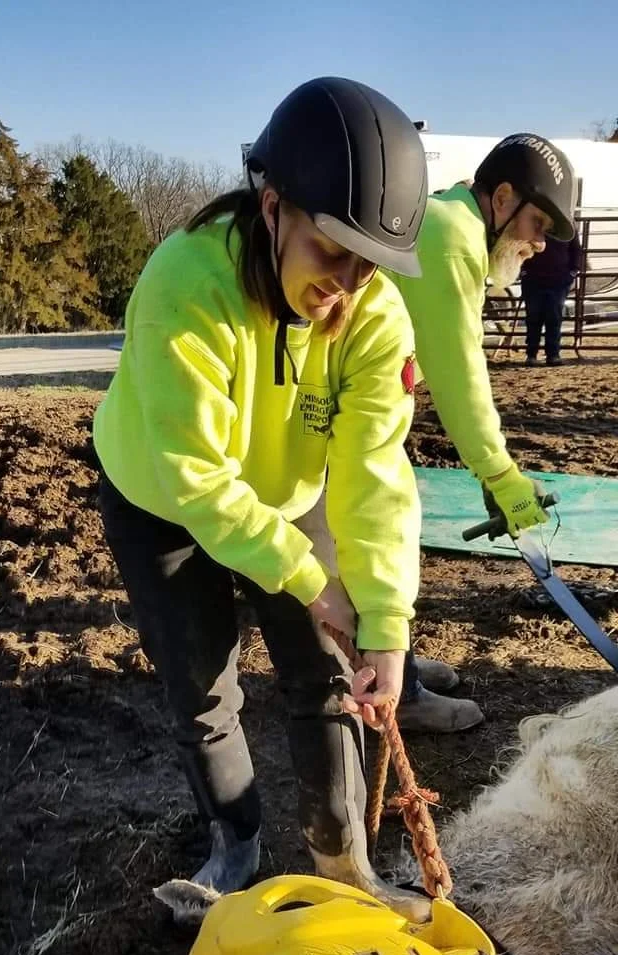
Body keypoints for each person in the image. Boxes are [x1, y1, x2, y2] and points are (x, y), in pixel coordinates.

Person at [93, 77, 428, 899]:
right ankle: (235, 843)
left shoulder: (373, 318)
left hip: (288, 493)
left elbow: (375, 471)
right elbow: (198, 480)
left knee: (325, 675)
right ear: (272, 204)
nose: (344, 287)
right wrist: (309, 578)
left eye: (369, 266)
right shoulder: (187, 284)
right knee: (202, 688)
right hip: (162, 499)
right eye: (330, 251)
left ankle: (340, 858)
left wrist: (384, 620)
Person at [385, 134, 577, 729]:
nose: (538, 244)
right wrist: (497, 469)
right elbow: (461, 370)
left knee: (387, 524)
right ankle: (399, 692)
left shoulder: (447, 218)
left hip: (362, 399)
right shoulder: (452, 237)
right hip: (331, 406)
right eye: (536, 223)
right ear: (501, 198)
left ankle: (401, 663)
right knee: (380, 528)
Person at [521, 231, 582, 365]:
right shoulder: (534, 223)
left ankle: (552, 354)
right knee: (534, 317)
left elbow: (576, 250)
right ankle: (532, 354)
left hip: (558, 280)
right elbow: (518, 247)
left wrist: (572, 272)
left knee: (553, 317)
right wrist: (523, 272)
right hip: (533, 279)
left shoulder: (567, 227)